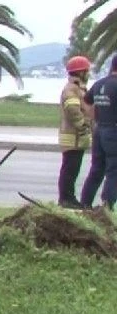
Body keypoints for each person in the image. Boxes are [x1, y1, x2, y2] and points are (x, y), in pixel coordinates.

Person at [80, 57, 117, 210]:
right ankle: (107, 206)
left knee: (96, 169)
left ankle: (85, 203)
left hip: (99, 130)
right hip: (113, 131)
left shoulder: (100, 83)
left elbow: (85, 101)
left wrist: (95, 117)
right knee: (114, 170)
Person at [57, 55, 92, 208]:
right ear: (80, 72)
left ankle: (69, 198)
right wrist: (83, 125)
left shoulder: (78, 87)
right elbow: (72, 109)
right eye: (87, 70)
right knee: (69, 170)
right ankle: (66, 199)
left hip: (76, 137)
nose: (88, 73)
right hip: (73, 136)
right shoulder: (72, 89)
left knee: (72, 169)